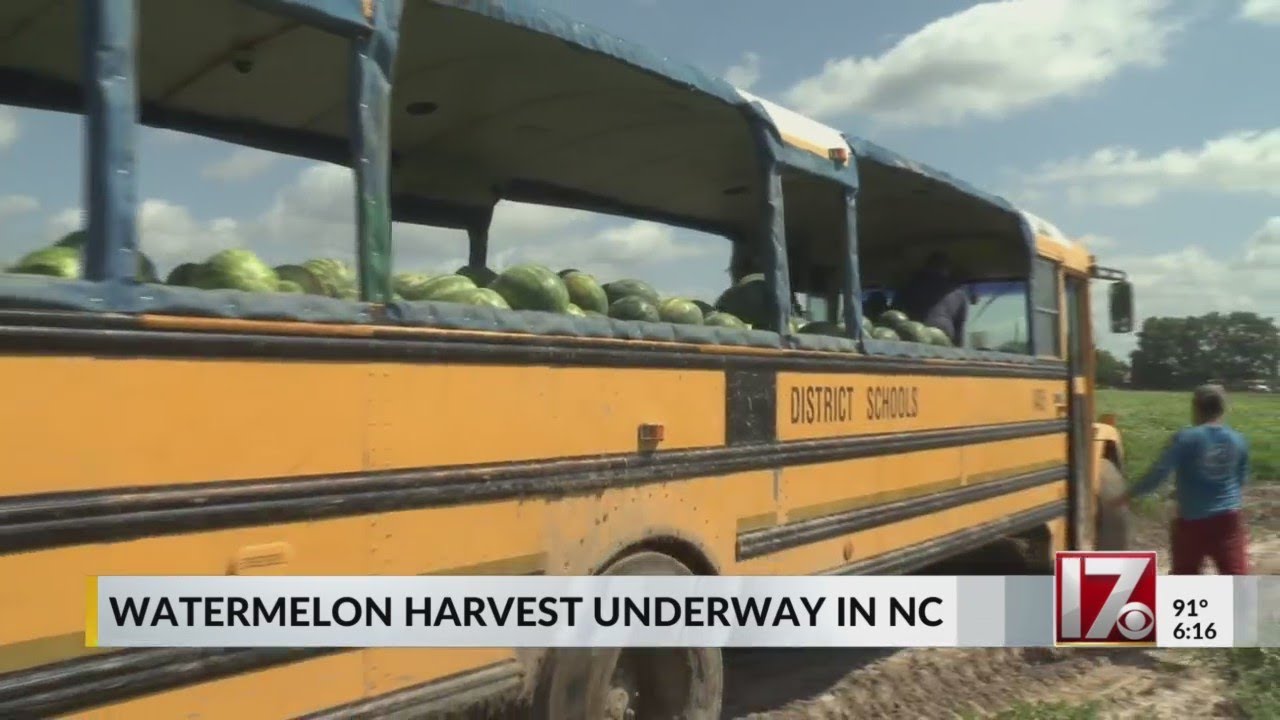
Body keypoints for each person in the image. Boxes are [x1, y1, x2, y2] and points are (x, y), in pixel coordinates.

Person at [1111, 385, 1251, 575]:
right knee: (1236, 580)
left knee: (1185, 578)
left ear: (1196, 407)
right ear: (1223, 408)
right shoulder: (1239, 440)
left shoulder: (1186, 438)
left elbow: (1159, 473)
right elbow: (1240, 480)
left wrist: (1127, 495)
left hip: (1192, 522)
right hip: (1228, 521)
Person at [893, 251, 968, 344]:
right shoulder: (958, 293)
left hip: (912, 339)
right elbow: (959, 333)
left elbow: (894, 317)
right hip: (942, 344)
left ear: (926, 268)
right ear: (947, 270)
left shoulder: (909, 286)